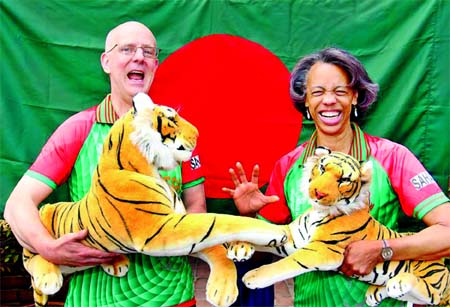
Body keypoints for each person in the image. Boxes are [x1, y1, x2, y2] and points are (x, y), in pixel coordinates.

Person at [223, 47, 450, 307]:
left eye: (340, 91)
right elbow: (263, 252)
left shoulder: (392, 157)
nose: (329, 100)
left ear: (355, 97)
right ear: (306, 100)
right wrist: (248, 217)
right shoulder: (289, 166)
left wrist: (382, 249)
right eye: (318, 92)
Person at [4, 21, 206, 307]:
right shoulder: (78, 129)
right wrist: (48, 248)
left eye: (148, 52)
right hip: (96, 298)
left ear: (155, 65)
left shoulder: (176, 133)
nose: (139, 57)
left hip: (174, 296)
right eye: (127, 49)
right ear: (106, 61)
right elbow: (17, 204)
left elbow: (197, 207)